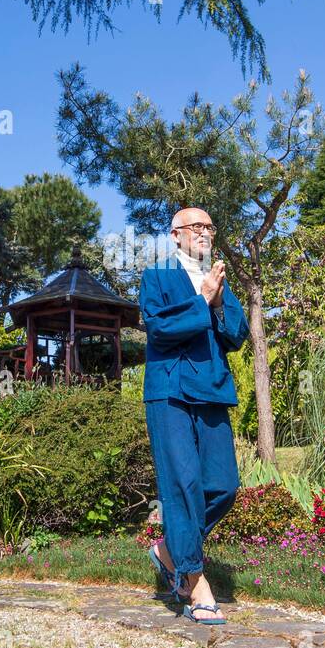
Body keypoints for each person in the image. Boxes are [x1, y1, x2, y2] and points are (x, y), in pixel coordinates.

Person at [139, 206, 250, 624]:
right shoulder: (157, 276)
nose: (204, 232)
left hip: (212, 390)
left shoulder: (218, 280)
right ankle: (195, 582)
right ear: (176, 235)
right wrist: (201, 298)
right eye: (196, 226)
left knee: (223, 485)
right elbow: (160, 330)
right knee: (183, 485)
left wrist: (219, 302)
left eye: (209, 225)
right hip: (169, 392)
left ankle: (170, 550)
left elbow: (235, 335)